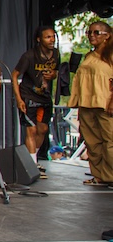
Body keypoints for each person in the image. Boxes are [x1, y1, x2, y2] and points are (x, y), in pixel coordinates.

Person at [67, 21, 113, 185]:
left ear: (107, 36)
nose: (91, 35)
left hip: (105, 104)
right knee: (92, 142)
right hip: (86, 104)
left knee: (110, 141)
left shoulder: (111, 55)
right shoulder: (89, 55)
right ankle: (100, 176)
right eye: (89, 32)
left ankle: (110, 176)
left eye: (96, 33)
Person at [11, 26, 60, 170]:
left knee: (43, 129)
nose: (52, 40)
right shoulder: (29, 56)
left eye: (53, 37)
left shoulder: (56, 54)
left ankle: (33, 157)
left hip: (44, 97)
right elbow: (15, 75)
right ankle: (33, 164)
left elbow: (55, 72)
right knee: (31, 130)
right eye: (48, 37)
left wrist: (53, 75)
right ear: (39, 39)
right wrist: (19, 99)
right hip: (28, 95)